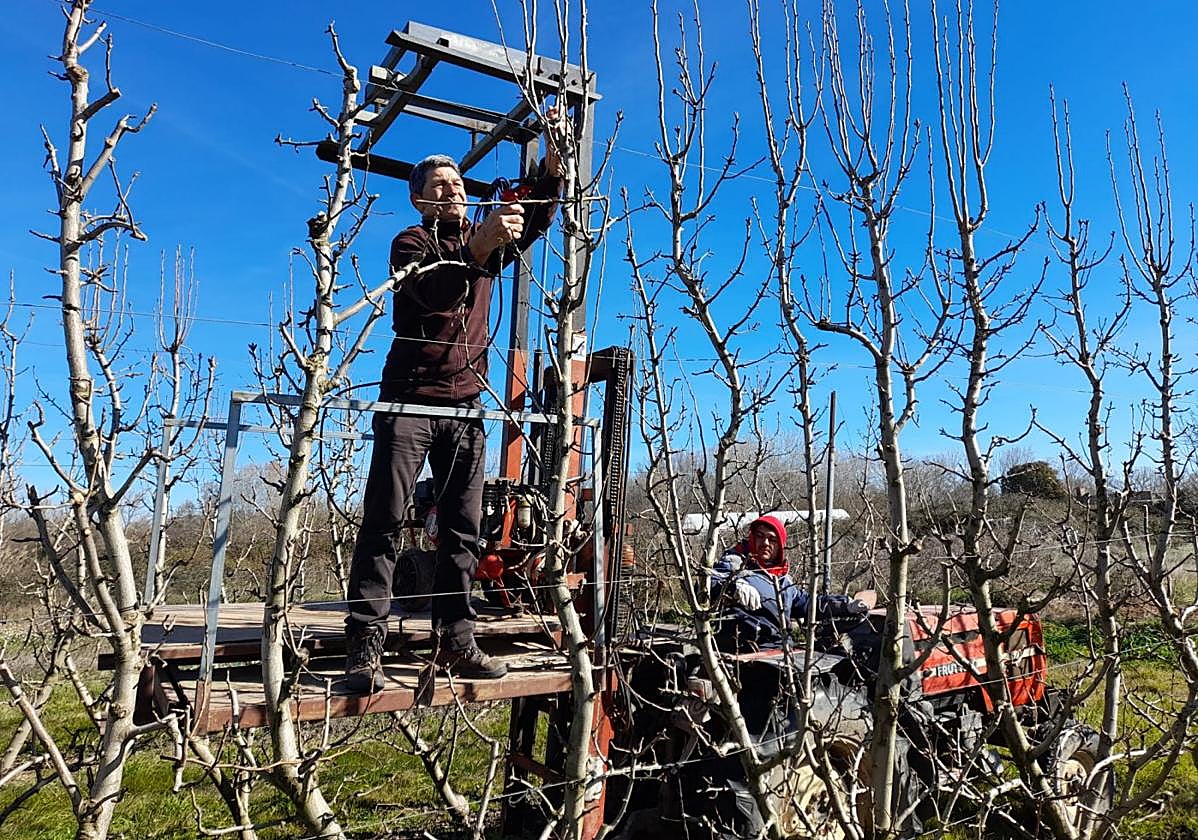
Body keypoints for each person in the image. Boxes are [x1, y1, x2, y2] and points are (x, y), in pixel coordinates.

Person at [344, 107, 569, 693]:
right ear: (420, 200)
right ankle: (364, 645)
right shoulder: (411, 241)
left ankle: (457, 639)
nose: (454, 190)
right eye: (440, 186)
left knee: (464, 528)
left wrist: (552, 165)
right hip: (410, 402)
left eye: (458, 184)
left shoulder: (482, 240)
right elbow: (431, 291)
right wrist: (480, 246)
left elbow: (534, 218)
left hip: (468, 405)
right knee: (387, 520)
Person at [710, 515, 869, 650]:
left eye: (772, 539)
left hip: (780, 648)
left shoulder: (782, 579)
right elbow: (709, 582)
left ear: (780, 546)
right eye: (760, 536)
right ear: (751, 538)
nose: (765, 543)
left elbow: (806, 603)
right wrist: (733, 586)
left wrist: (846, 605)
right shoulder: (735, 562)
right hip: (746, 651)